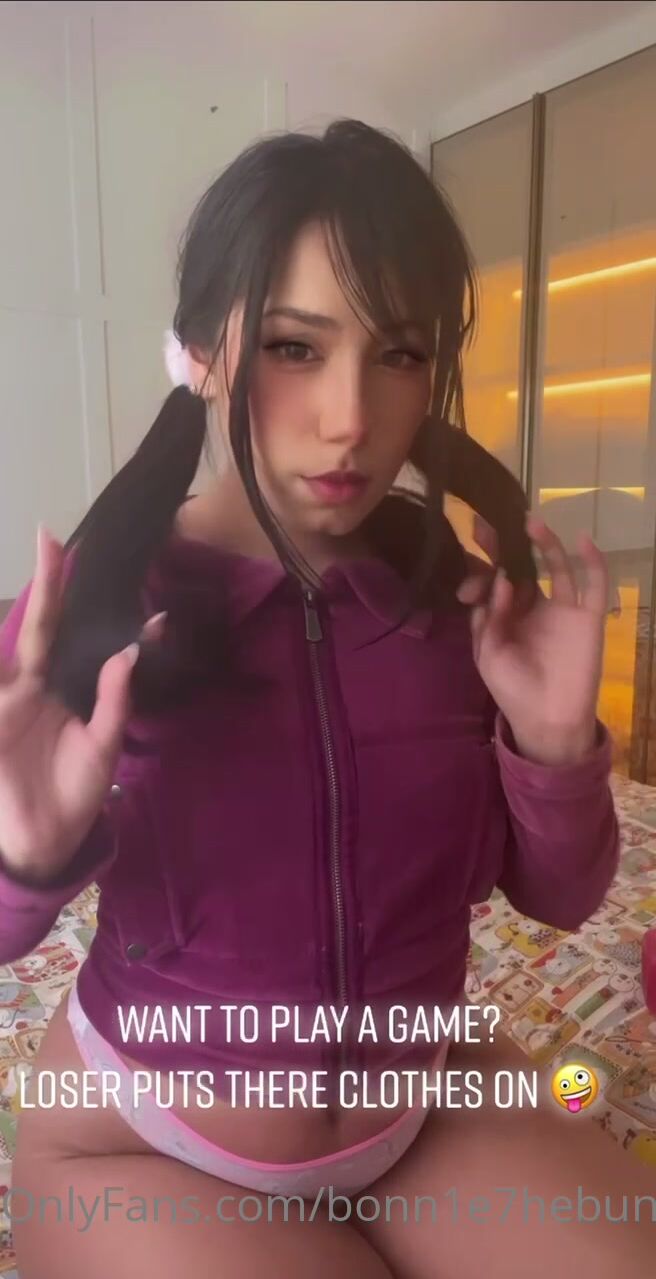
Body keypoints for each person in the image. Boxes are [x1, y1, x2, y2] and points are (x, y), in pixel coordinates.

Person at [0, 119, 652, 1278]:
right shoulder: (81, 620)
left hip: (423, 1096)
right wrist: (25, 859)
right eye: (294, 347)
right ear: (201, 351)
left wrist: (553, 745)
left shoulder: (460, 608)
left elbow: (557, 901)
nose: (350, 416)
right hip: (144, 1141)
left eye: (396, 353)